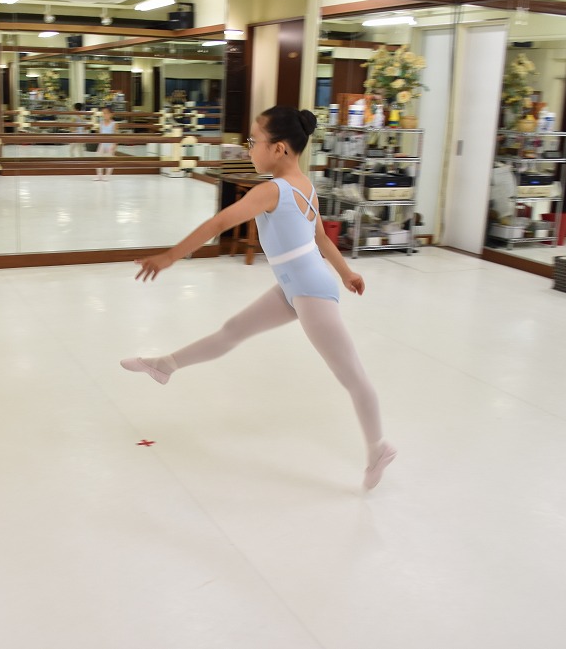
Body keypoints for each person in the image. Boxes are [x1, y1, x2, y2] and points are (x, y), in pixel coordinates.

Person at [121, 105, 396, 490]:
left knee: (351, 375)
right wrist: (347, 273)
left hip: (310, 290)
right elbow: (319, 238)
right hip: (295, 285)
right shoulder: (303, 184)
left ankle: (378, 447)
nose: (248, 148)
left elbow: (220, 222)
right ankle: (165, 365)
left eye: (253, 141)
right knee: (233, 330)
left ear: (279, 148)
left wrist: (169, 257)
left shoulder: (272, 190)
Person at [95, 105, 117, 181]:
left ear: (111, 114)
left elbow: (116, 135)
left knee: (110, 160)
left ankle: (107, 175)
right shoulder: (101, 123)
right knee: (98, 158)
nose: (105, 115)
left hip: (110, 144)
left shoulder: (114, 124)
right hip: (102, 143)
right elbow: (100, 134)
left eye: (106, 113)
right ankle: (99, 175)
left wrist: (114, 145)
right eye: (103, 113)